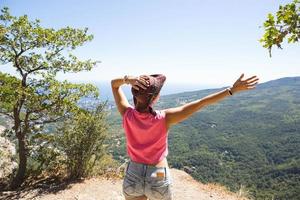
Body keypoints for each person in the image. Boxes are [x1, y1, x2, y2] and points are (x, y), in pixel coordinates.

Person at [111, 73, 259, 200]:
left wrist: (127, 79)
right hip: (157, 173)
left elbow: (114, 84)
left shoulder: (126, 114)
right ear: (155, 98)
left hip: (133, 173)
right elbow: (202, 102)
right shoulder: (165, 118)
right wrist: (231, 90)